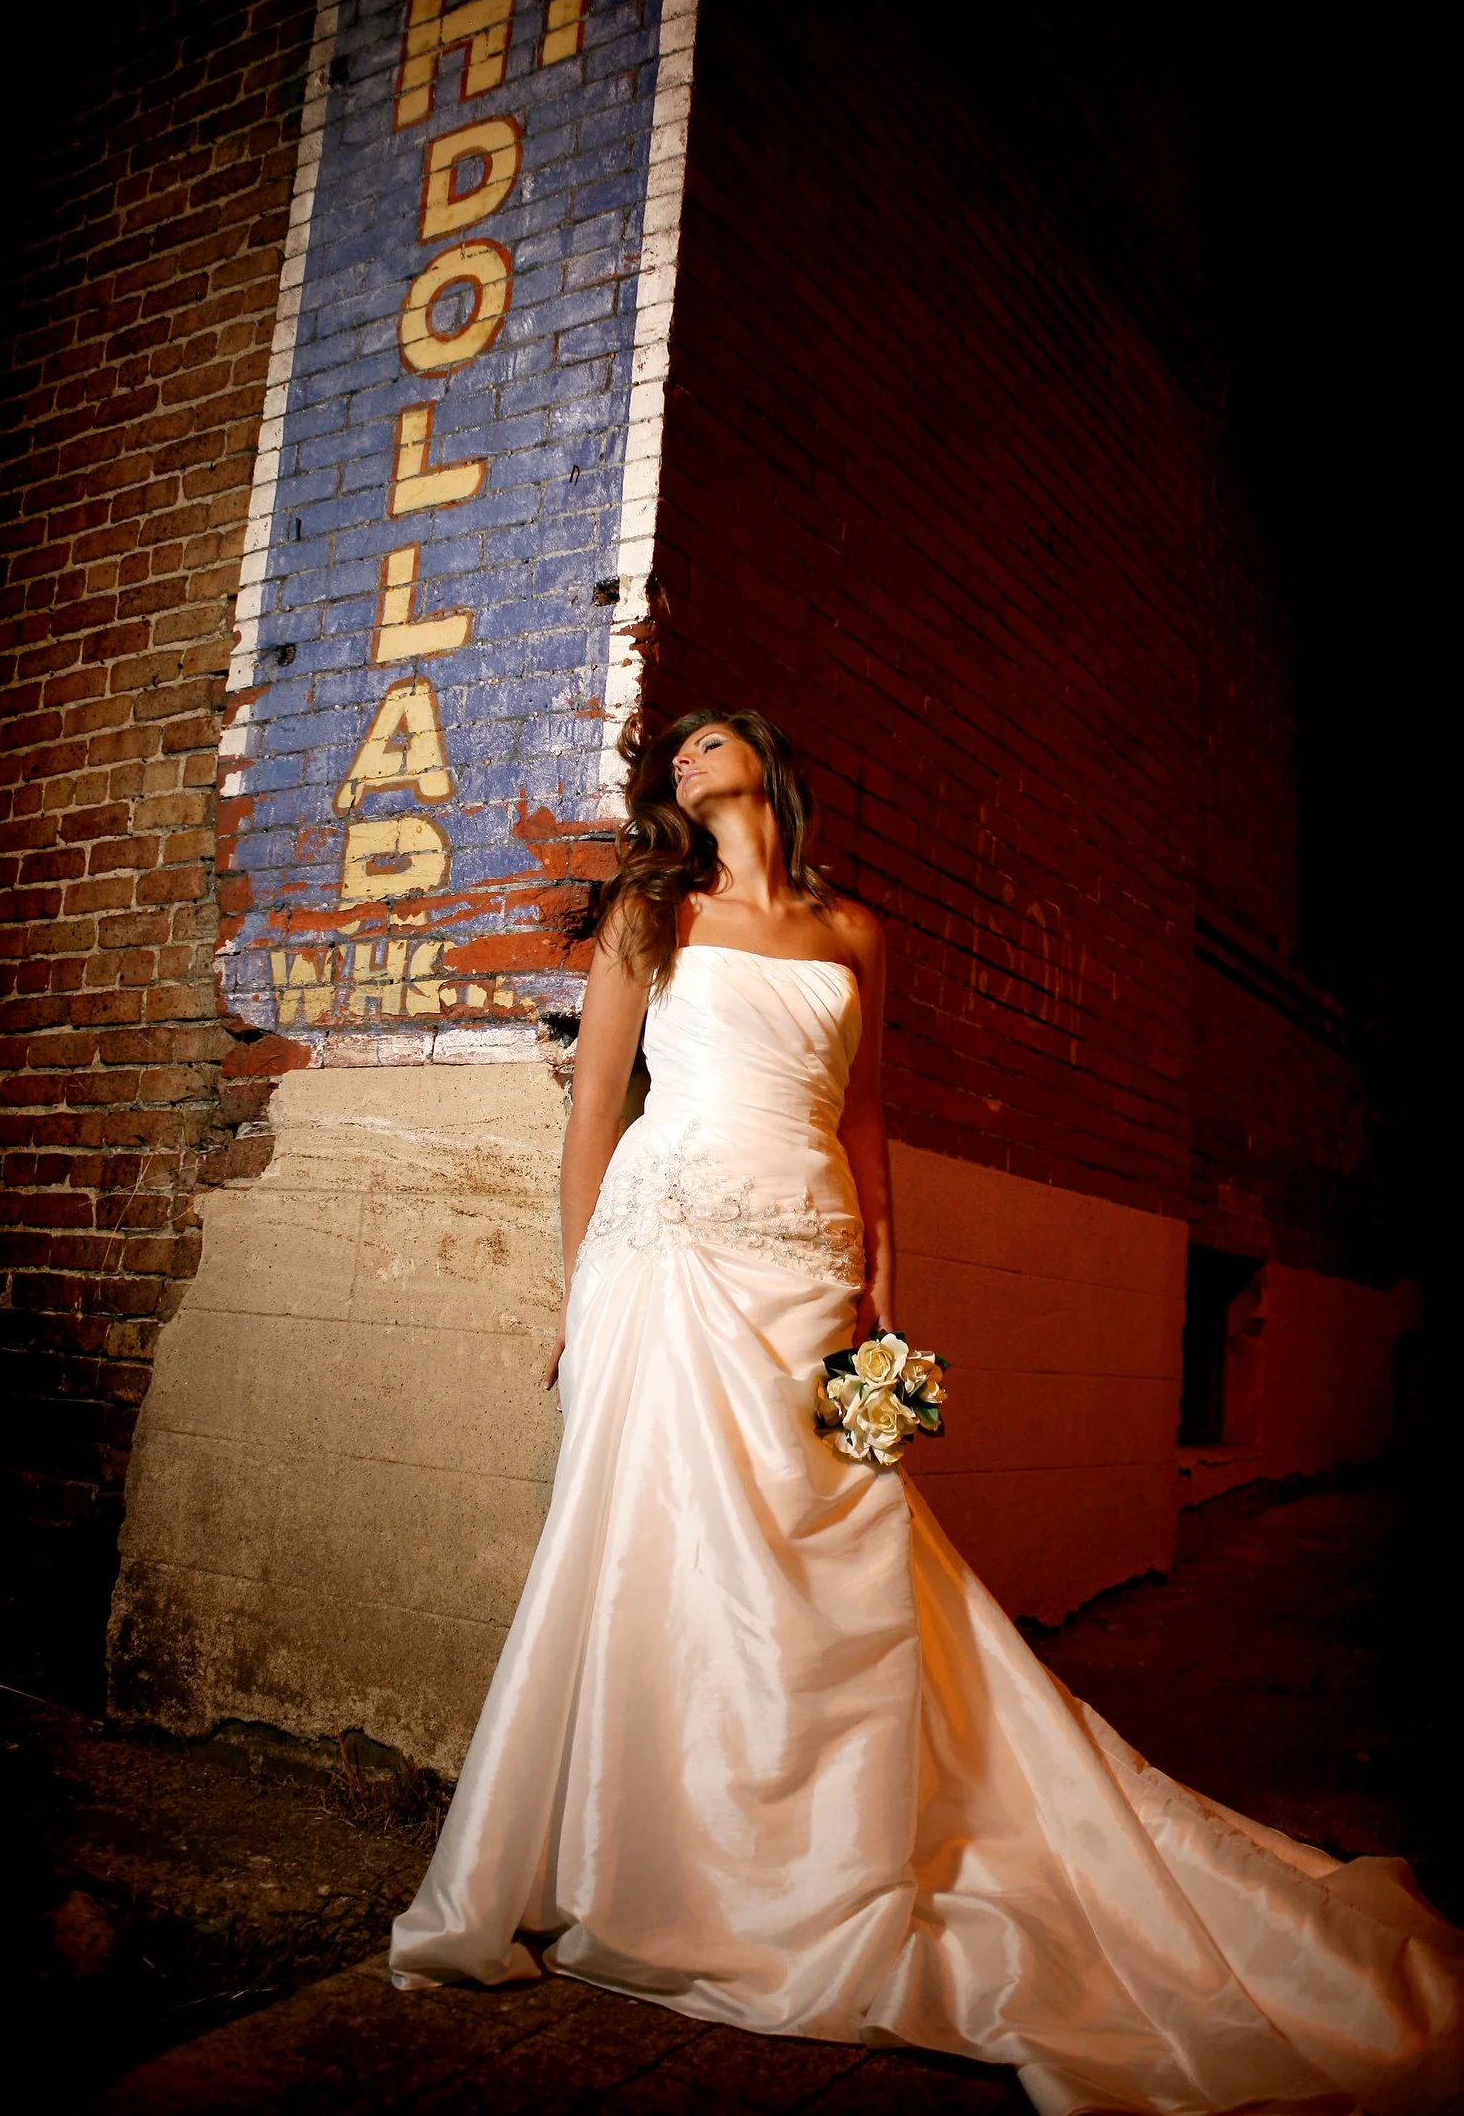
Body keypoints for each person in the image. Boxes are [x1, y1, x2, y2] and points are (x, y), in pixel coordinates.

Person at [391, 707, 1462, 2113]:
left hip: (812, 1264)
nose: (685, 754)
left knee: (835, 1548)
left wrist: (881, 1281)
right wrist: (581, 1289)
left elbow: (864, 1116)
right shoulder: (652, 911)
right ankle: (659, 1855)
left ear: (768, 765)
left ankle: (816, 1834)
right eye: (679, 748)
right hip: (671, 1263)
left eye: (712, 737)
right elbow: (595, 1104)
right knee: (657, 1549)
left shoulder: (857, 932)